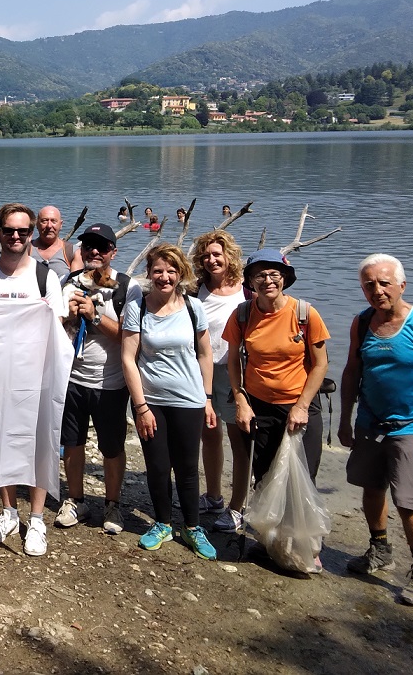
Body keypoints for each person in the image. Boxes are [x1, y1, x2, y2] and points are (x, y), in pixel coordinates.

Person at [338, 254, 413, 607]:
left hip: (412, 424)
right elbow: (352, 371)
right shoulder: (362, 322)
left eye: (385, 282)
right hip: (371, 422)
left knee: (408, 501)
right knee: (371, 489)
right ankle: (379, 548)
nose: (378, 290)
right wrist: (345, 419)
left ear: (402, 284)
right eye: (369, 284)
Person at [0, 203, 65, 557]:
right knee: (3, 443)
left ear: (31, 235)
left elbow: (56, 330)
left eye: (23, 232)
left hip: (37, 377)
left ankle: (36, 518)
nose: (15, 237)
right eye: (9, 230)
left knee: (40, 444)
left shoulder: (45, 278)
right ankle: (9, 511)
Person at [121, 243, 217, 560]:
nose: (165, 277)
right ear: (149, 274)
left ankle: (192, 527)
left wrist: (207, 398)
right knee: (158, 467)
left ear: (181, 273)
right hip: (152, 402)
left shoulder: (193, 307)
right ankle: (162, 523)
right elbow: (128, 358)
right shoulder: (138, 307)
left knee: (188, 468)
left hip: (189, 400)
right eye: (158, 271)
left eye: (171, 270)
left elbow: (205, 354)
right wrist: (141, 406)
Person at [56, 223, 141, 535]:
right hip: (73, 378)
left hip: (111, 383)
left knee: (112, 446)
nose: (94, 251)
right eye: (88, 245)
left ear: (113, 252)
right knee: (73, 442)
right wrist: (68, 314)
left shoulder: (126, 288)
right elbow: (56, 325)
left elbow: (129, 338)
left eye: (102, 247)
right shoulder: (69, 281)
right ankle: (76, 499)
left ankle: (113, 504)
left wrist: (93, 315)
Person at [223, 250, 330, 489]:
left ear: (284, 278)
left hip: (300, 405)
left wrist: (301, 407)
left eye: (274, 274)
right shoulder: (242, 314)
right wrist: (241, 402)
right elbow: (233, 361)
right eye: (260, 276)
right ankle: (267, 526)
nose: (268, 281)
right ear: (250, 282)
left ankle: (297, 527)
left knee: (302, 480)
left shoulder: (305, 314)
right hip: (259, 407)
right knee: (264, 478)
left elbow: (321, 364)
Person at [190, 231, 250, 533]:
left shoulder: (246, 289)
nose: (211, 260)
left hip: (236, 372)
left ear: (230, 257)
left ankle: (238, 507)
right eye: (206, 255)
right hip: (202, 370)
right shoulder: (196, 289)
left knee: (240, 440)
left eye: (217, 254)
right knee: (209, 434)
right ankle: (213, 496)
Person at [29, 205, 74, 281]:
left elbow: (76, 285)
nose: (49, 226)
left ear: (61, 225)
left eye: (53, 221)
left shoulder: (72, 252)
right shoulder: (25, 250)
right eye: (44, 221)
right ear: (36, 224)